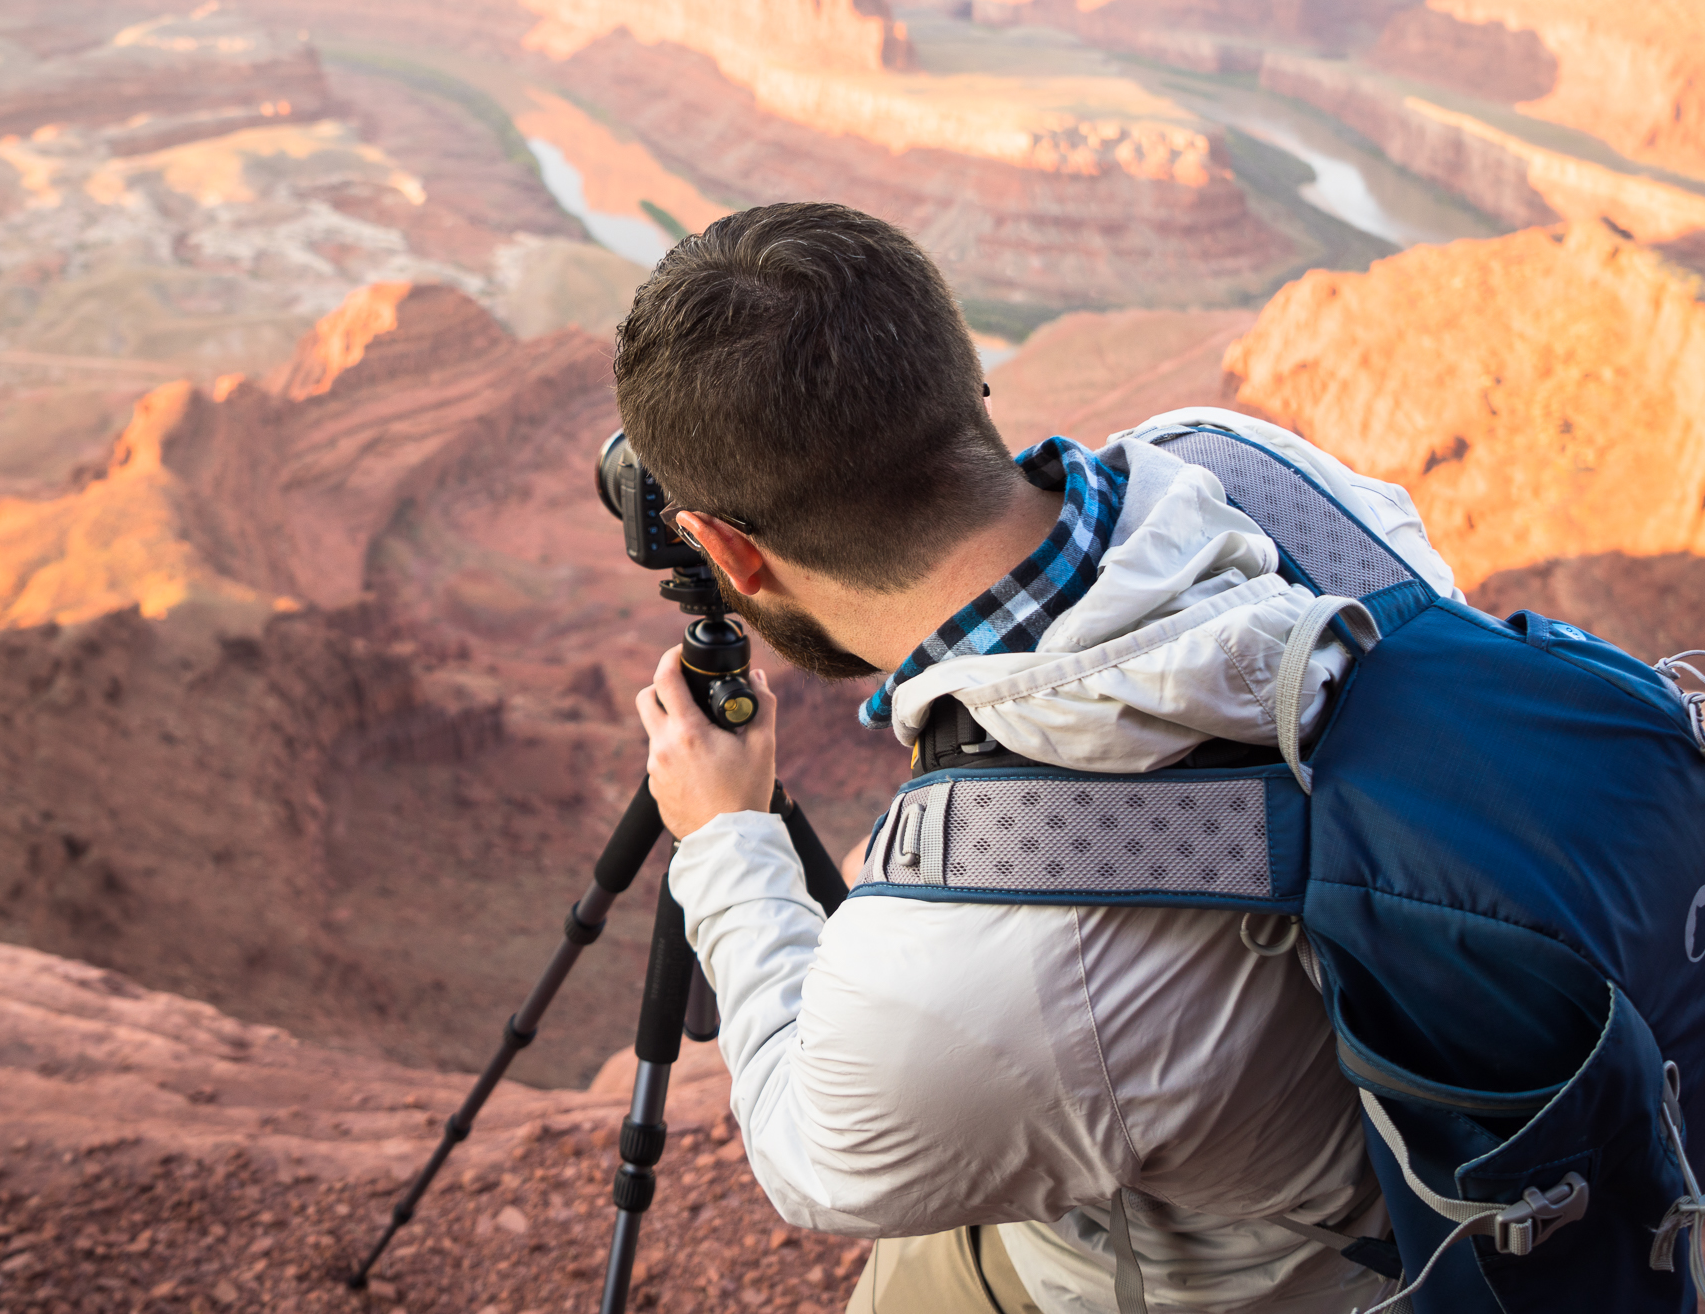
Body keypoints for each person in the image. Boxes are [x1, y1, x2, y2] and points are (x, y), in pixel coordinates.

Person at [617, 203, 1460, 1314]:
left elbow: (804, 1155)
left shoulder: (977, 970)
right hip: (1449, 1111)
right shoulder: (1240, 463)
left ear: (724, 550)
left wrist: (727, 837)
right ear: (968, 382)